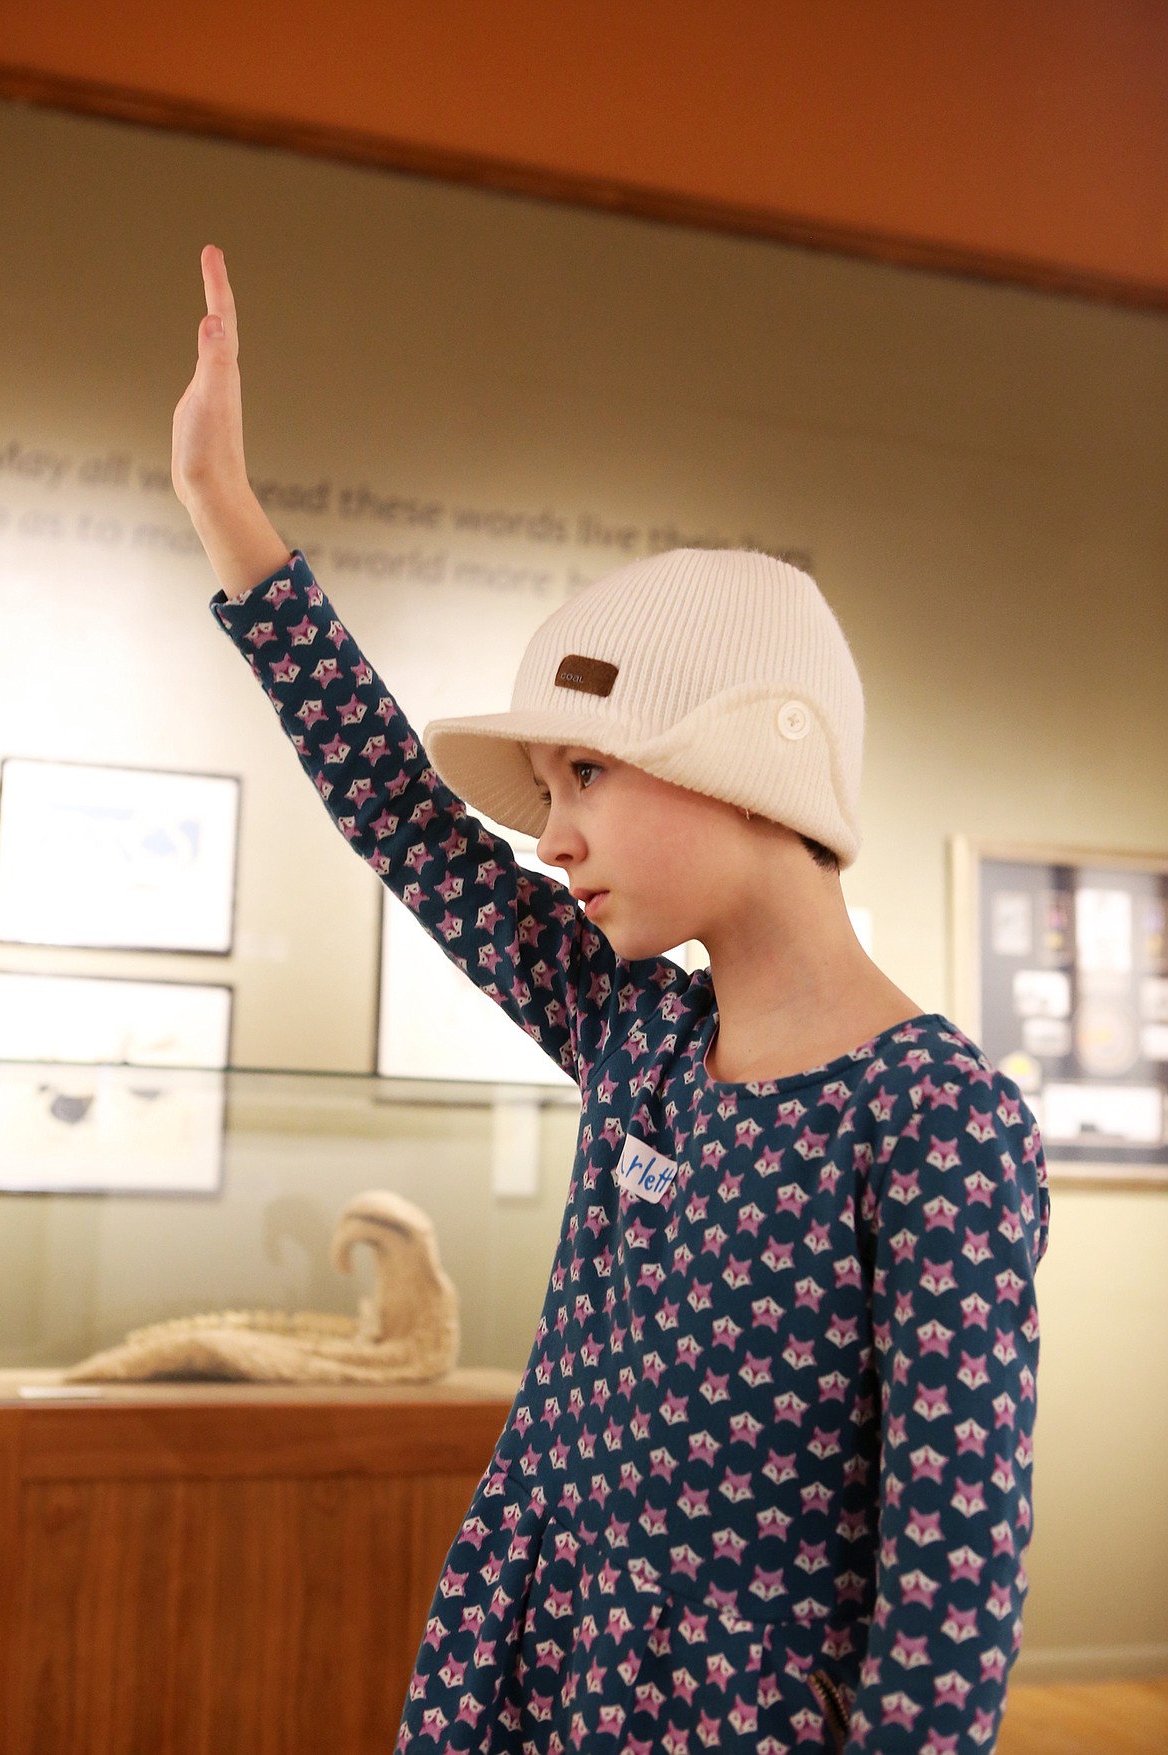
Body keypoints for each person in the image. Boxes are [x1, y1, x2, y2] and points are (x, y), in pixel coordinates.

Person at [173, 245, 1050, 1754]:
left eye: (584, 773)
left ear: (749, 766)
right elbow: (401, 813)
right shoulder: (640, 1031)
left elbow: (950, 1579)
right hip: (530, 1652)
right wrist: (228, 520)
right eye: (543, 787)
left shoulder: (935, 1120)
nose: (546, 830)